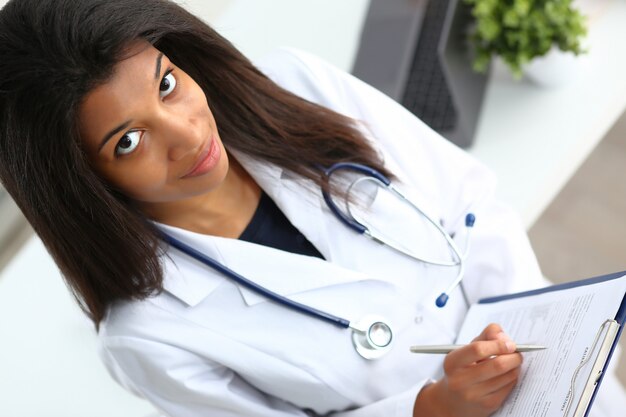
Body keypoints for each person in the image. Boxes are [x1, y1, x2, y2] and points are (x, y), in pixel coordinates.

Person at [0, 0, 624, 416]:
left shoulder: (294, 83)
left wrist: (540, 350)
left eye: (166, 83)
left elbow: (470, 202)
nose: (187, 134)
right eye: (128, 141)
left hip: (564, 377)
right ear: (80, 181)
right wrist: (430, 409)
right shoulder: (149, 336)